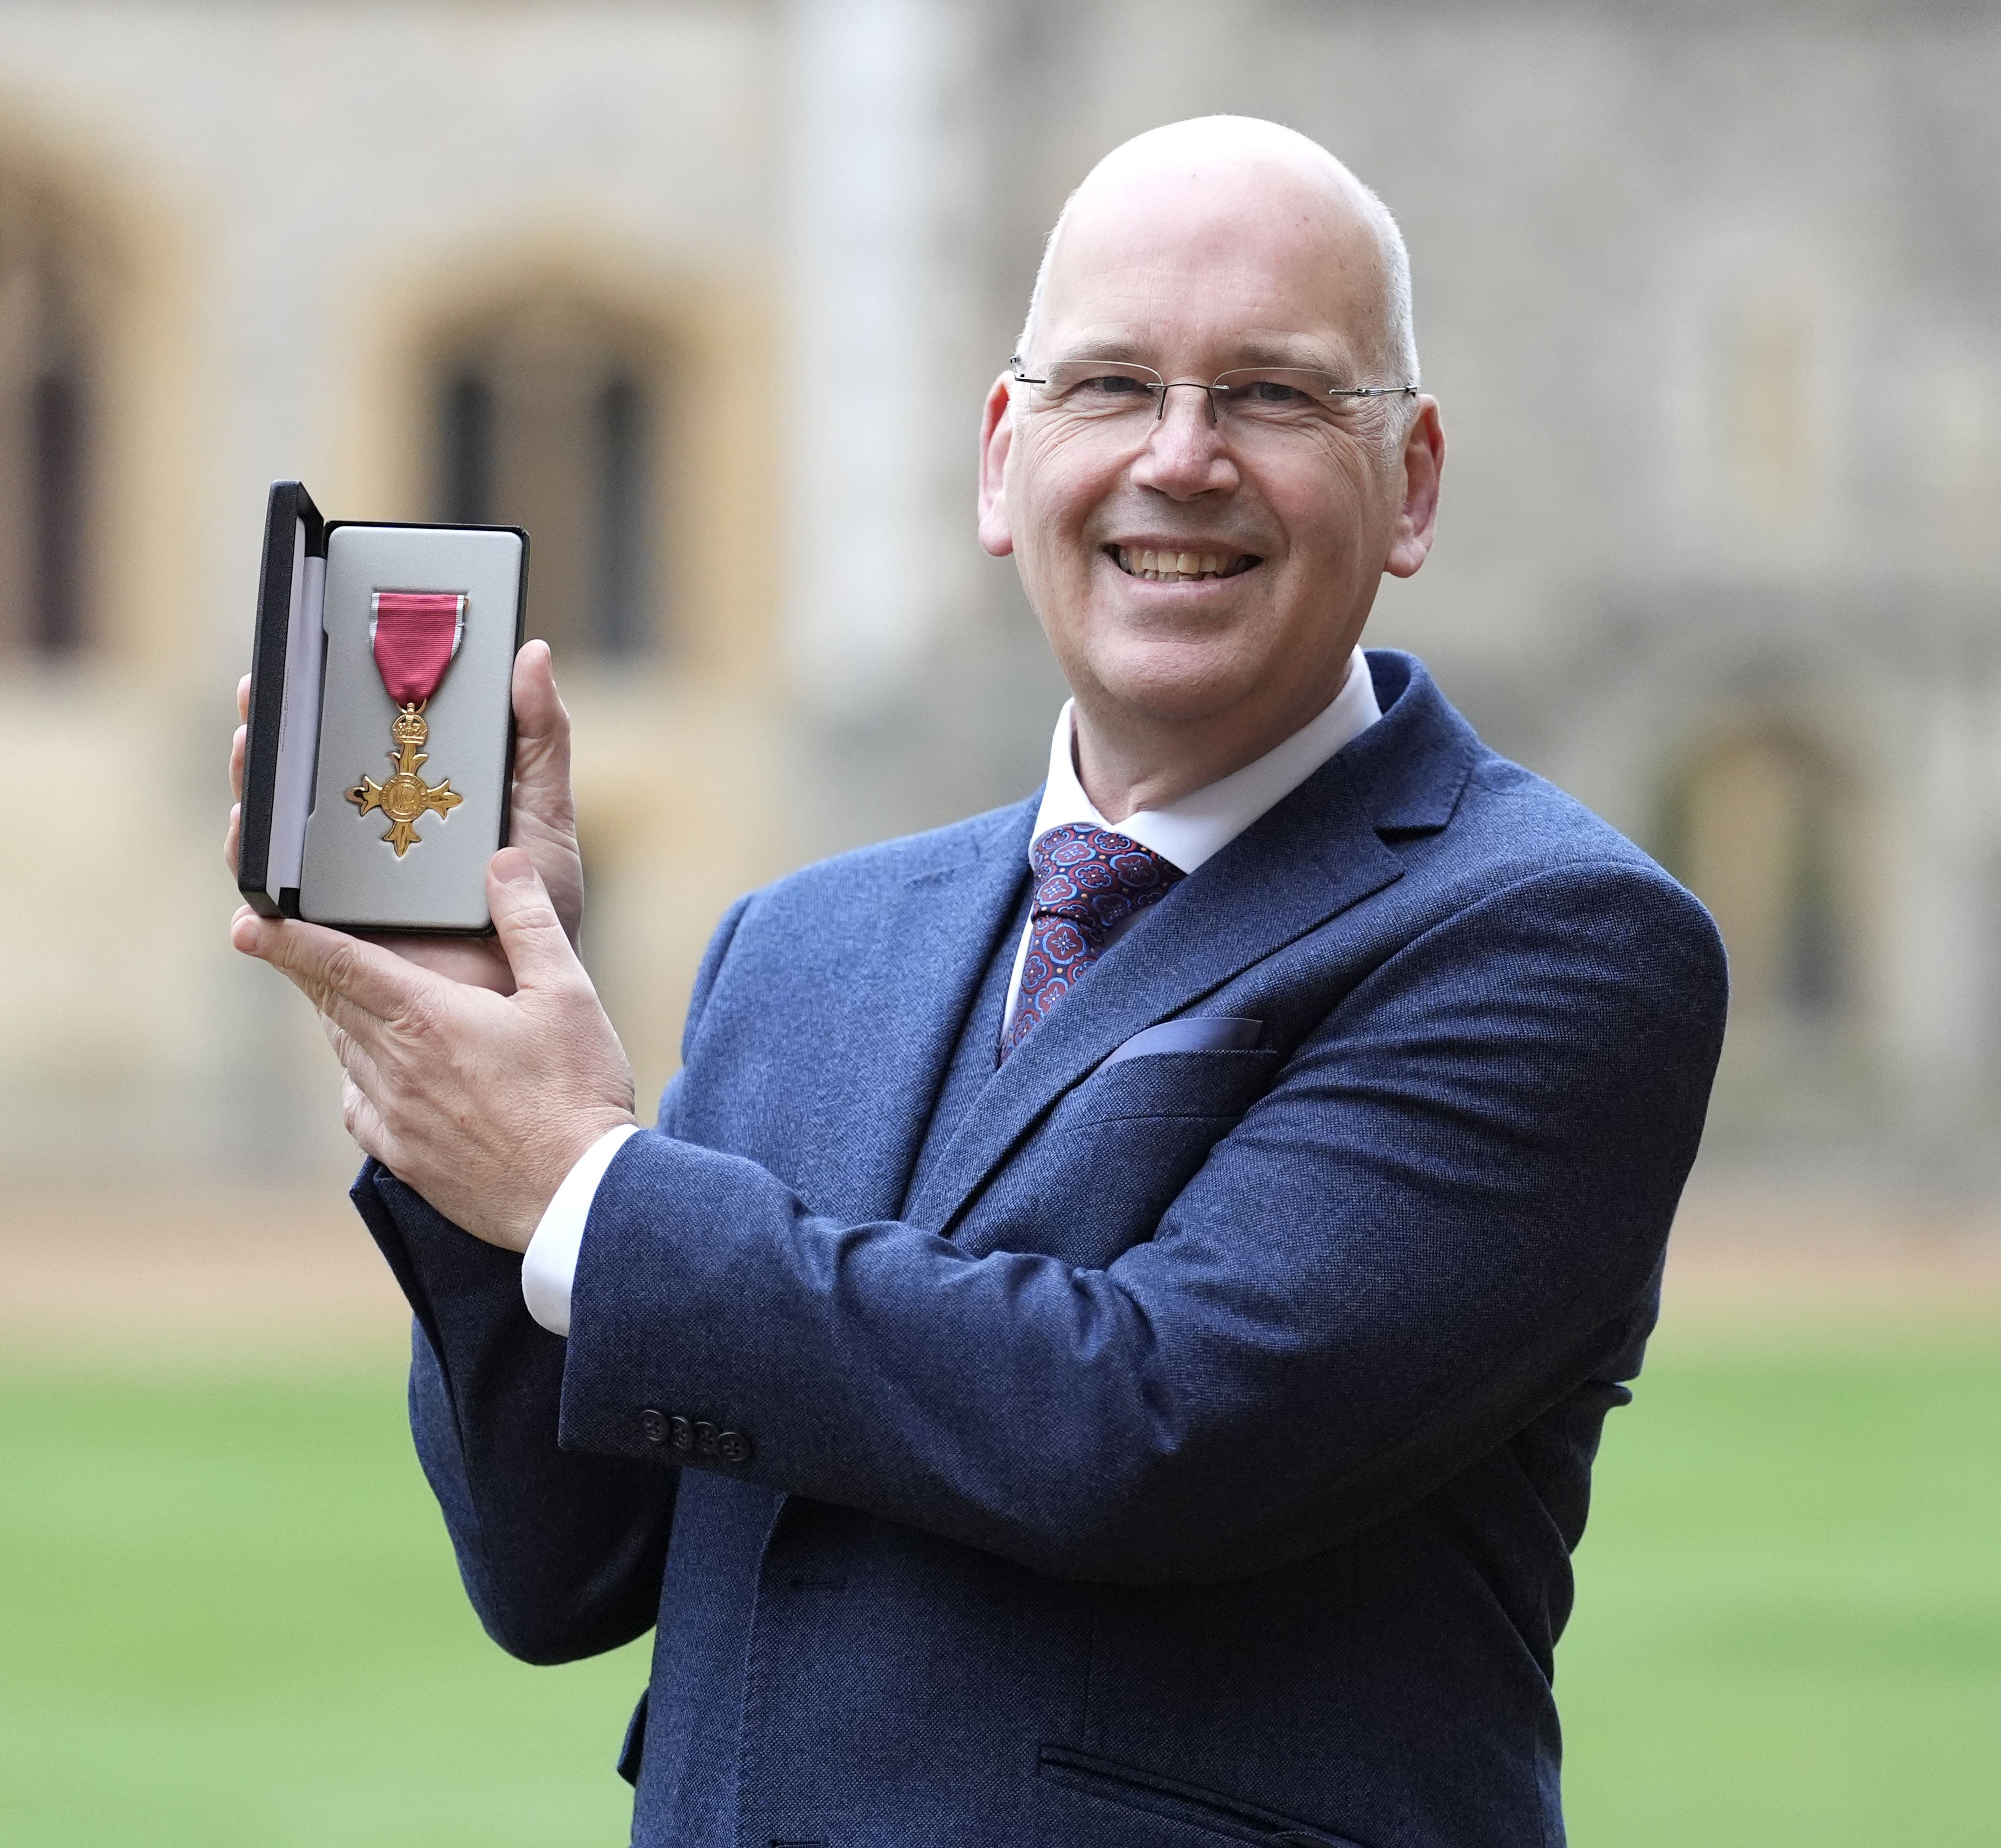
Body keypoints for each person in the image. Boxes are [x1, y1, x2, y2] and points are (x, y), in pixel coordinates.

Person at [228, 115, 1726, 1848]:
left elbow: (1153, 1422)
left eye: (1272, 393)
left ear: (1418, 479)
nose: (1181, 458)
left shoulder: (1551, 938)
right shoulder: (801, 946)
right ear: (1004, 462)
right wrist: (462, 1070)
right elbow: (566, 1575)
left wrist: (578, 1184)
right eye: (1110, 387)